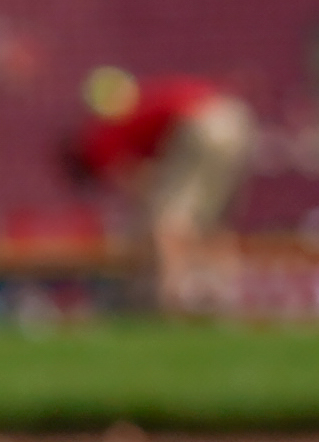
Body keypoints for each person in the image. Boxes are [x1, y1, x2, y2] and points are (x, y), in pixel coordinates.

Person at [70, 68, 256, 316]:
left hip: (200, 123)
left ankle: (173, 298)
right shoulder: (142, 105)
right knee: (211, 223)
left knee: (165, 220)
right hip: (236, 119)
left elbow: (139, 184)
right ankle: (220, 295)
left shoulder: (99, 137)